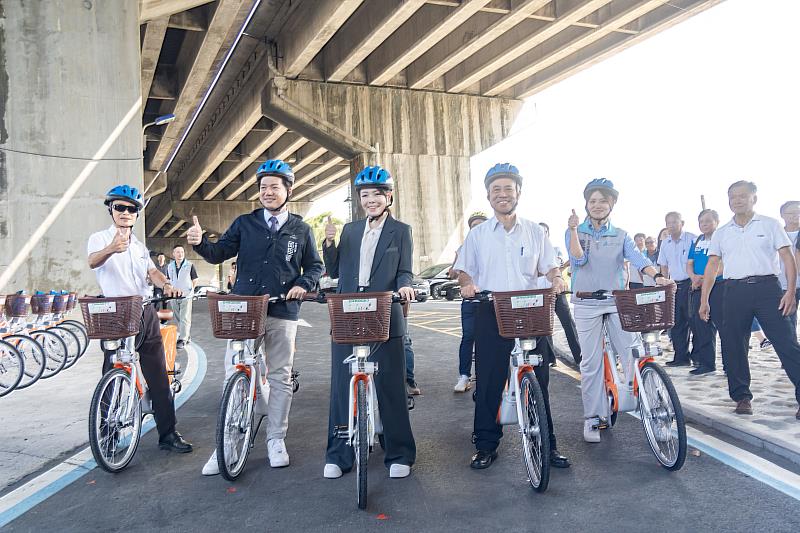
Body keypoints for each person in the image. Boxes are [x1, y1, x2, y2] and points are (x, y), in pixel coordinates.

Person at [188, 158, 324, 474]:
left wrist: (303, 284)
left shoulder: (301, 229)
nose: (268, 192)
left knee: (279, 377)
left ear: (288, 190)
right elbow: (217, 253)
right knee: (233, 373)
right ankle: (227, 444)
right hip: (244, 309)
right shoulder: (244, 224)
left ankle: (276, 439)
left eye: (274, 187)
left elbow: (315, 266)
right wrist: (200, 244)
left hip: (282, 310)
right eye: (263, 187)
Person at [455, 163, 570, 470]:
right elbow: (463, 268)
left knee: (540, 380)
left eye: (508, 188)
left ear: (518, 192)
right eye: (496, 190)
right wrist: (467, 284)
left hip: (530, 311)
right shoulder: (478, 235)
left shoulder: (534, 231)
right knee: (490, 380)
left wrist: (557, 278)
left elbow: (550, 265)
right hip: (491, 310)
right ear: (489, 196)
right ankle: (486, 445)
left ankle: (549, 444)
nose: (502, 194)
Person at [322, 165, 417, 480]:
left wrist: (404, 286)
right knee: (341, 384)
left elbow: (405, 269)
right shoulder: (350, 230)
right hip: (348, 309)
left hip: (384, 308)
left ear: (389, 196)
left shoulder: (401, 230)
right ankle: (339, 452)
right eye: (365, 195)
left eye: (378, 194)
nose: (371, 200)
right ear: (359, 199)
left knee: (390, 384)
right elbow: (335, 269)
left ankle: (399, 452)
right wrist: (329, 243)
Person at [566, 178, 673, 443]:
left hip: (616, 302)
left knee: (633, 355)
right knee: (590, 363)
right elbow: (578, 259)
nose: (598, 205)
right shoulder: (575, 230)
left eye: (603, 201)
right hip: (586, 303)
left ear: (612, 204)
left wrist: (656, 276)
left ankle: (656, 412)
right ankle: (593, 417)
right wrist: (574, 231)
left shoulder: (621, 234)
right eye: (593, 201)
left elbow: (638, 259)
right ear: (586, 205)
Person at [87, 185, 193, 453]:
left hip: (145, 311)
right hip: (116, 313)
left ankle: (168, 433)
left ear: (136, 214)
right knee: (112, 374)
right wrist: (112, 248)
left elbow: (152, 273)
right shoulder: (100, 238)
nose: (125, 212)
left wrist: (166, 284)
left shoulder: (139, 246)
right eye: (119, 207)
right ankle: (107, 436)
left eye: (131, 208)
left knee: (158, 375)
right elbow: (92, 261)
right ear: (111, 210)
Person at [699, 181, 800, 419]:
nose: (737, 200)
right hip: (734, 291)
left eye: (743, 196)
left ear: (754, 198)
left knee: (786, 343)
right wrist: (705, 300)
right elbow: (713, 266)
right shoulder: (722, 232)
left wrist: (791, 292)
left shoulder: (770, 224)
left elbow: (787, 258)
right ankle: (741, 397)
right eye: (733, 197)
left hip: (768, 289)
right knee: (733, 344)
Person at [686, 209, 723, 375]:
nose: (705, 224)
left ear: (716, 222)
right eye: (701, 222)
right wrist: (694, 277)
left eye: (708, 221)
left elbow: (724, 264)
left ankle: (730, 366)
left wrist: (707, 277)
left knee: (724, 327)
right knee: (701, 326)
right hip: (698, 286)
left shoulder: (722, 238)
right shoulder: (697, 241)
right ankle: (706, 364)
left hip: (719, 286)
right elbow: (689, 263)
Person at [539, 221, 582, 366]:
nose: (542, 234)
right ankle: (551, 359)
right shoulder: (532, 251)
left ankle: (579, 358)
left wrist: (551, 270)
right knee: (545, 328)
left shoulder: (555, 249)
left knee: (568, 324)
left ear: (548, 234)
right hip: (541, 295)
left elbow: (558, 266)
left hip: (557, 293)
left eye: (545, 231)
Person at [453, 211, 487, 392]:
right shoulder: (463, 248)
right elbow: (454, 273)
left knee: (492, 340)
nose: (478, 229)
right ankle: (464, 376)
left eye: (481, 225)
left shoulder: (494, 246)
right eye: (474, 226)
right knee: (468, 337)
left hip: (493, 300)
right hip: (471, 301)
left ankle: (488, 376)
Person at [657, 212, 696, 366]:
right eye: (668, 222)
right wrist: (664, 284)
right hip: (673, 286)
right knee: (677, 323)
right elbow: (664, 266)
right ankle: (681, 358)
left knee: (694, 322)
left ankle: (698, 358)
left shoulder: (693, 239)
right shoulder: (665, 243)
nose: (671, 225)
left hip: (691, 284)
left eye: (675, 222)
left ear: (682, 222)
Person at [167, 245, 198, 349]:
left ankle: (182, 339)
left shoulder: (189, 265)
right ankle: (187, 336)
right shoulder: (170, 266)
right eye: (178, 252)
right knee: (179, 318)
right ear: (173, 254)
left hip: (186, 296)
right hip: (174, 296)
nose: (180, 254)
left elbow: (195, 279)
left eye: (182, 252)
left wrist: (190, 290)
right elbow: (168, 280)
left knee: (184, 317)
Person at [779, 201, 800, 339]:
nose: (796, 216)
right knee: (788, 323)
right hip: (784, 285)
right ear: (782, 215)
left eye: (798, 212)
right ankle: (791, 359)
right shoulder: (776, 233)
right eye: (791, 213)